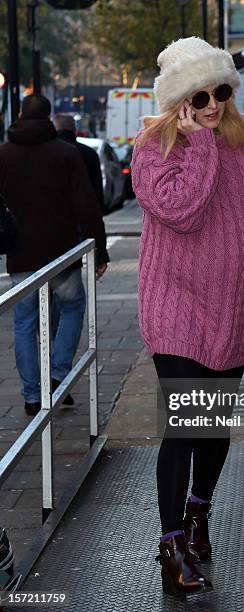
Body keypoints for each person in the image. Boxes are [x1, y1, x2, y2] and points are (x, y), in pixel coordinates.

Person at [131, 36, 244, 598]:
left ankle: (199, 512)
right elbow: (180, 210)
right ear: (179, 98)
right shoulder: (152, 145)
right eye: (199, 95)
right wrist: (198, 143)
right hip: (174, 304)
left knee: (214, 424)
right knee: (186, 425)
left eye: (221, 91)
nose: (212, 105)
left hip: (235, 302)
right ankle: (172, 546)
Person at [0, 94, 109, 416]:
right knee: (73, 308)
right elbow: (87, 206)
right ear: (49, 117)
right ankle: (58, 374)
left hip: (20, 253)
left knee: (24, 322)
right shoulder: (66, 154)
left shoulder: (3, 155)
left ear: (20, 114)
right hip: (62, 252)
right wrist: (99, 250)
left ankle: (32, 394)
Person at [53, 113, 105, 212]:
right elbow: (96, 186)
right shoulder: (89, 153)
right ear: (74, 130)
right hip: (83, 211)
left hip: (55, 213)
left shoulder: (48, 152)